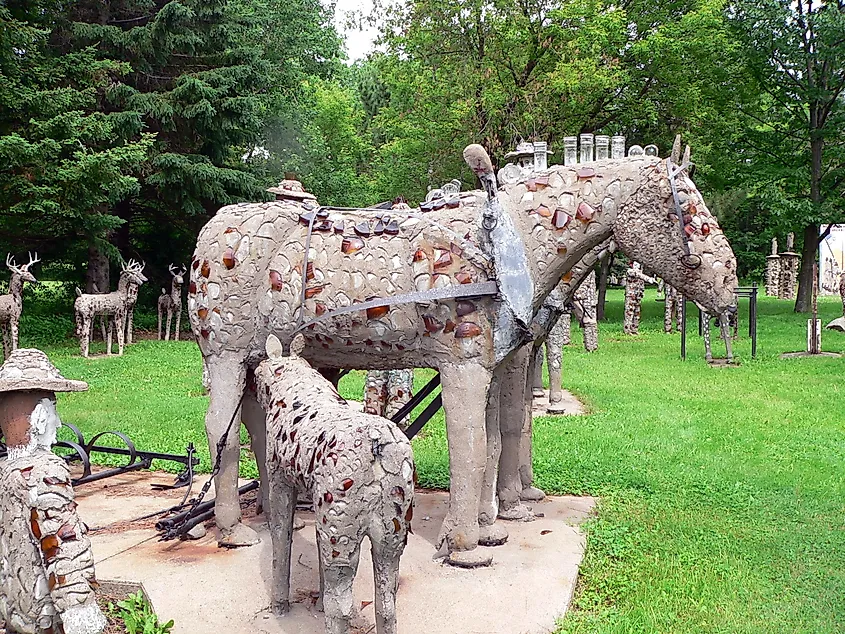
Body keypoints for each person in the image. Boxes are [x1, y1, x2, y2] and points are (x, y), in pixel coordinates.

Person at [0, 349, 106, 634]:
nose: (58, 422)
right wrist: (79, 608)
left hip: (16, 608)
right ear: (39, 416)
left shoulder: (5, 470)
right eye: (53, 409)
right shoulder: (45, 472)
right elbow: (62, 545)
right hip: (45, 618)